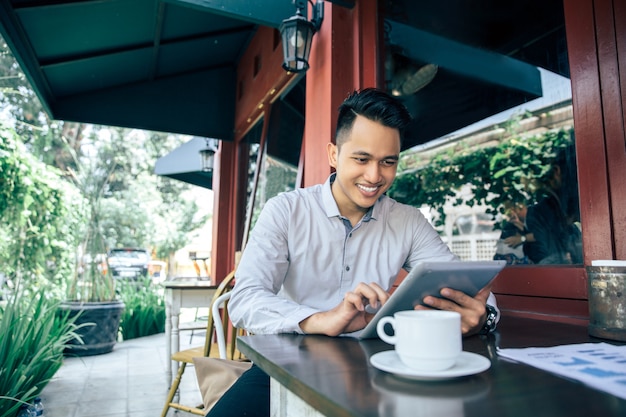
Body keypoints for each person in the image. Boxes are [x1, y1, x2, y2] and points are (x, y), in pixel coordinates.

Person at [206, 88, 499, 417]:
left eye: (388, 162)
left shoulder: (409, 221)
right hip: (290, 360)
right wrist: (321, 319)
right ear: (333, 154)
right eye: (361, 159)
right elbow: (245, 300)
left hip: (379, 360)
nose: (375, 176)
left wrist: (479, 319)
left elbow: (471, 293)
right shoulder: (286, 211)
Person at [524, 145, 582, 264]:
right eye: (575, 175)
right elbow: (547, 262)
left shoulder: (572, 217)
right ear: (557, 172)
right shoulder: (541, 214)